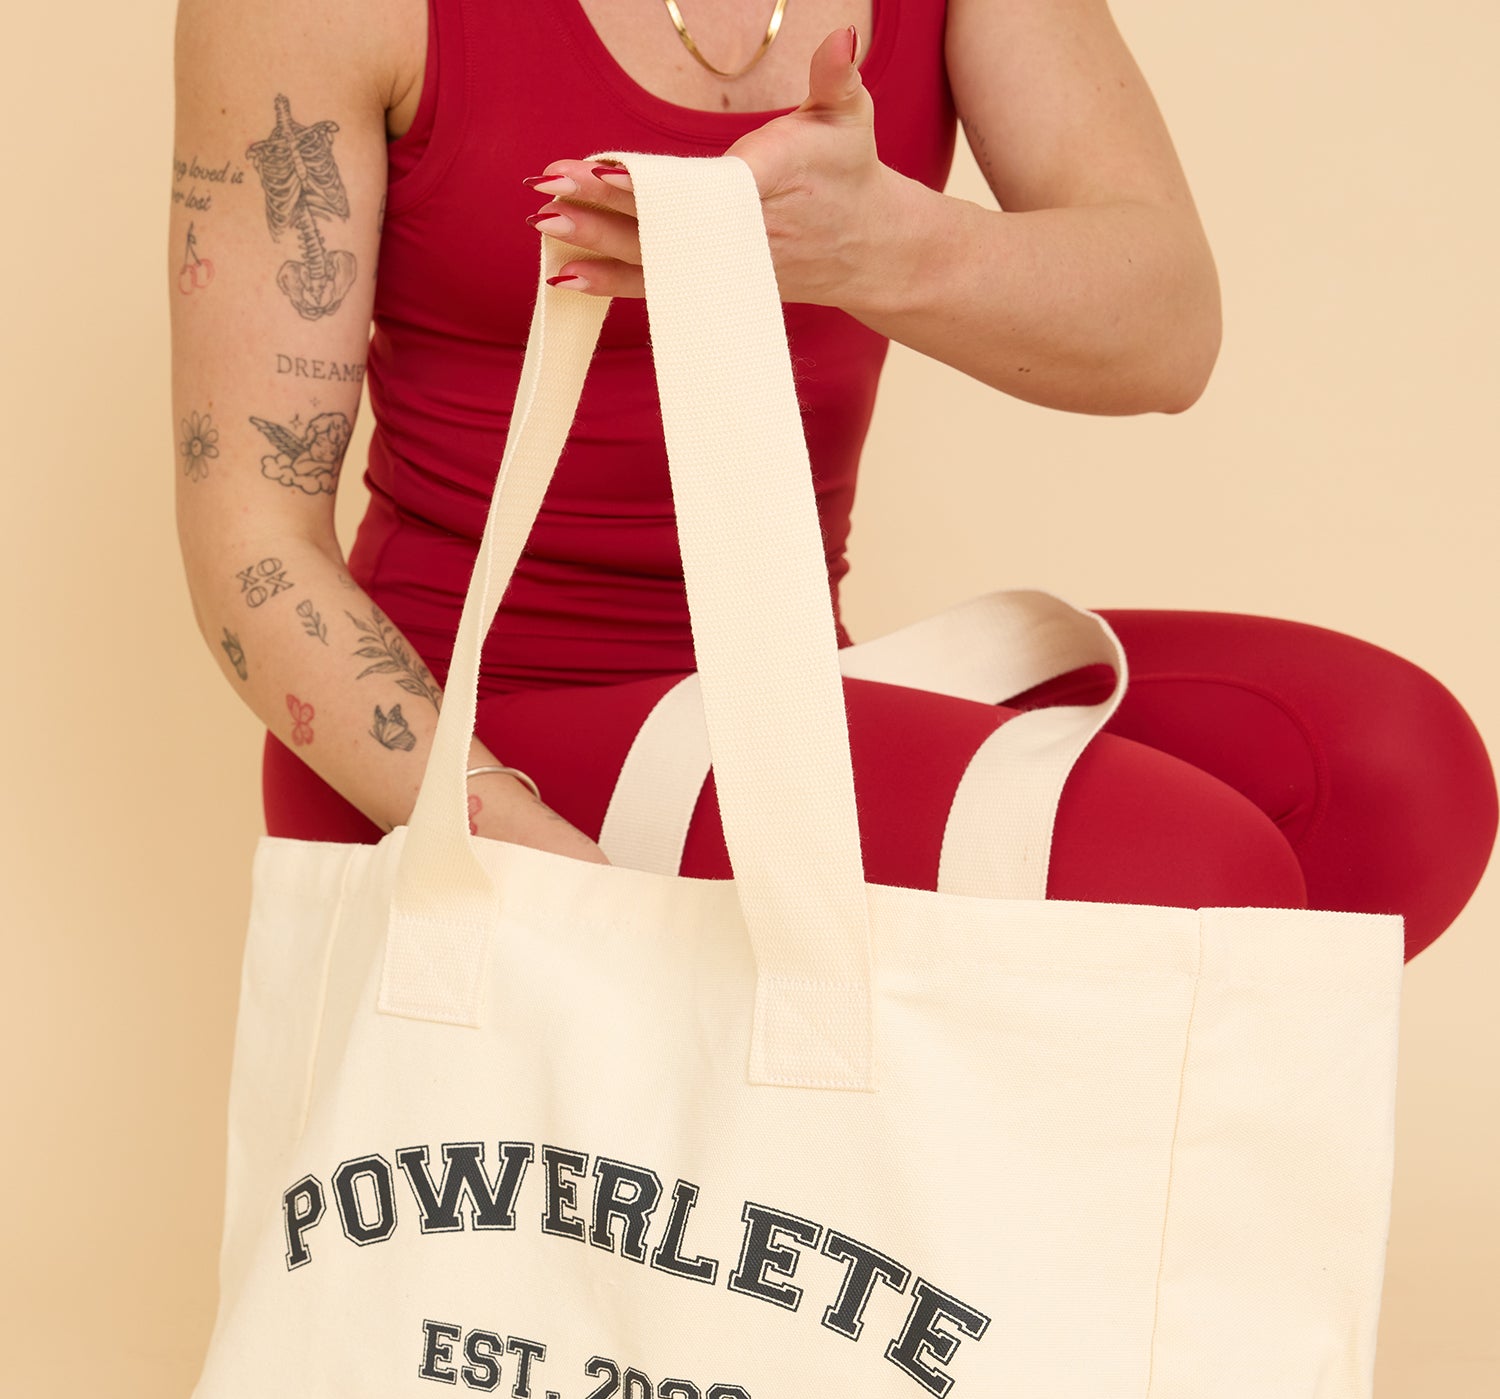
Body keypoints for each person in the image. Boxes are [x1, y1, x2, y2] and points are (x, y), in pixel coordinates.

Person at [170, 0, 1495, 961]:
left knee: (1395, 780)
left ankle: (868, 1240)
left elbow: (1168, 334)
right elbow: (251, 538)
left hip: (784, 688)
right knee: (1193, 878)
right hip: (465, 732)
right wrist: (536, 865)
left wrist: (887, 251)